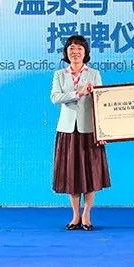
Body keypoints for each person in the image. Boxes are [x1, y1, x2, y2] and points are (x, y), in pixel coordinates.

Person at [51, 35, 110, 231]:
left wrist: (103, 131)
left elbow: (101, 102)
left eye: (79, 49)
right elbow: (55, 97)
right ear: (66, 53)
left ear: (86, 53)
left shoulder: (94, 73)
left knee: (91, 174)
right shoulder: (60, 74)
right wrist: (78, 93)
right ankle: (75, 215)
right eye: (71, 49)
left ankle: (87, 214)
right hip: (67, 130)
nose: (75, 52)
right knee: (71, 173)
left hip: (89, 130)